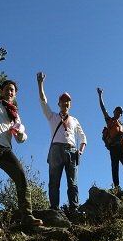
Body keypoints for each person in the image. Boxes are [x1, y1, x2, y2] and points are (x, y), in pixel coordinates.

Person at [0, 48, 42, 226]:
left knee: (21, 175)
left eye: (12, 90)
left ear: (15, 94)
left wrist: (20, 132)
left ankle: (27, 216)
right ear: (1, 92)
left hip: (5, 149)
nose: (10, 92)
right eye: (7, 89)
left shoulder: (16, 115)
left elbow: (21, 139)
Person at [37, 72, 87, 212]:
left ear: (70, 104)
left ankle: (74, 209)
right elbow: (43, 102)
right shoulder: (52, 116)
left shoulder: (75, 120)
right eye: (63, 101)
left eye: (67, 101)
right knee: (54, 182)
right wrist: (40, 83)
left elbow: (83, 137)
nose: (65, 103)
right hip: (55, 150)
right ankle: (54, 209)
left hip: (72, 151)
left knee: (73, 183)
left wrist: (80, 151)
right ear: (58, 104)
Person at [97, 87, 123, 190]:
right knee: (115, 167)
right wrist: (100, 95)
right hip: (113, 147)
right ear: (114, 112)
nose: (118, 113)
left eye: (120, 112)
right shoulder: (109, 121)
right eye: (117, 111)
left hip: (122, 146)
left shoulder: (122, 125)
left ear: (121, 115)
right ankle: (117, 187)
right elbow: (103, 108)